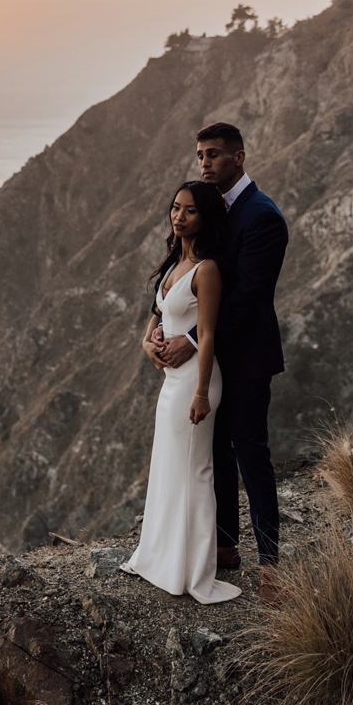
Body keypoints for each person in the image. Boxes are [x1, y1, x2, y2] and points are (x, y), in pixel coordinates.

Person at [156, 123, 289, 603]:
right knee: (216, 452)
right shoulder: (210, 210)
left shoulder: (263, 217)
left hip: (248, 356)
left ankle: (271, 564)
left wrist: (192, 339)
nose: (205, 163)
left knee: (251, 452)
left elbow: (248, 298)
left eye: (214, 154)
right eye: (199, 155)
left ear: (240, 157)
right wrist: (162, 329)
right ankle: (226, 546)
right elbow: (186, 275)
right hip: (208, 364)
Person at [119, 180, 242, 604]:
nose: (179, 216)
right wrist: (145, 341)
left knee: (195, 471)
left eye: (189, 210)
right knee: (170, 468)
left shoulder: (206, 269)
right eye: (175, 208)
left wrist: (203, 393)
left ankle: (191, 571)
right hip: (172, 382)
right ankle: (161, 557)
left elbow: (207, 335)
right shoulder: (174, 263)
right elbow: (156, 316)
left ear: (204, 218)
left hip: (195, 381)